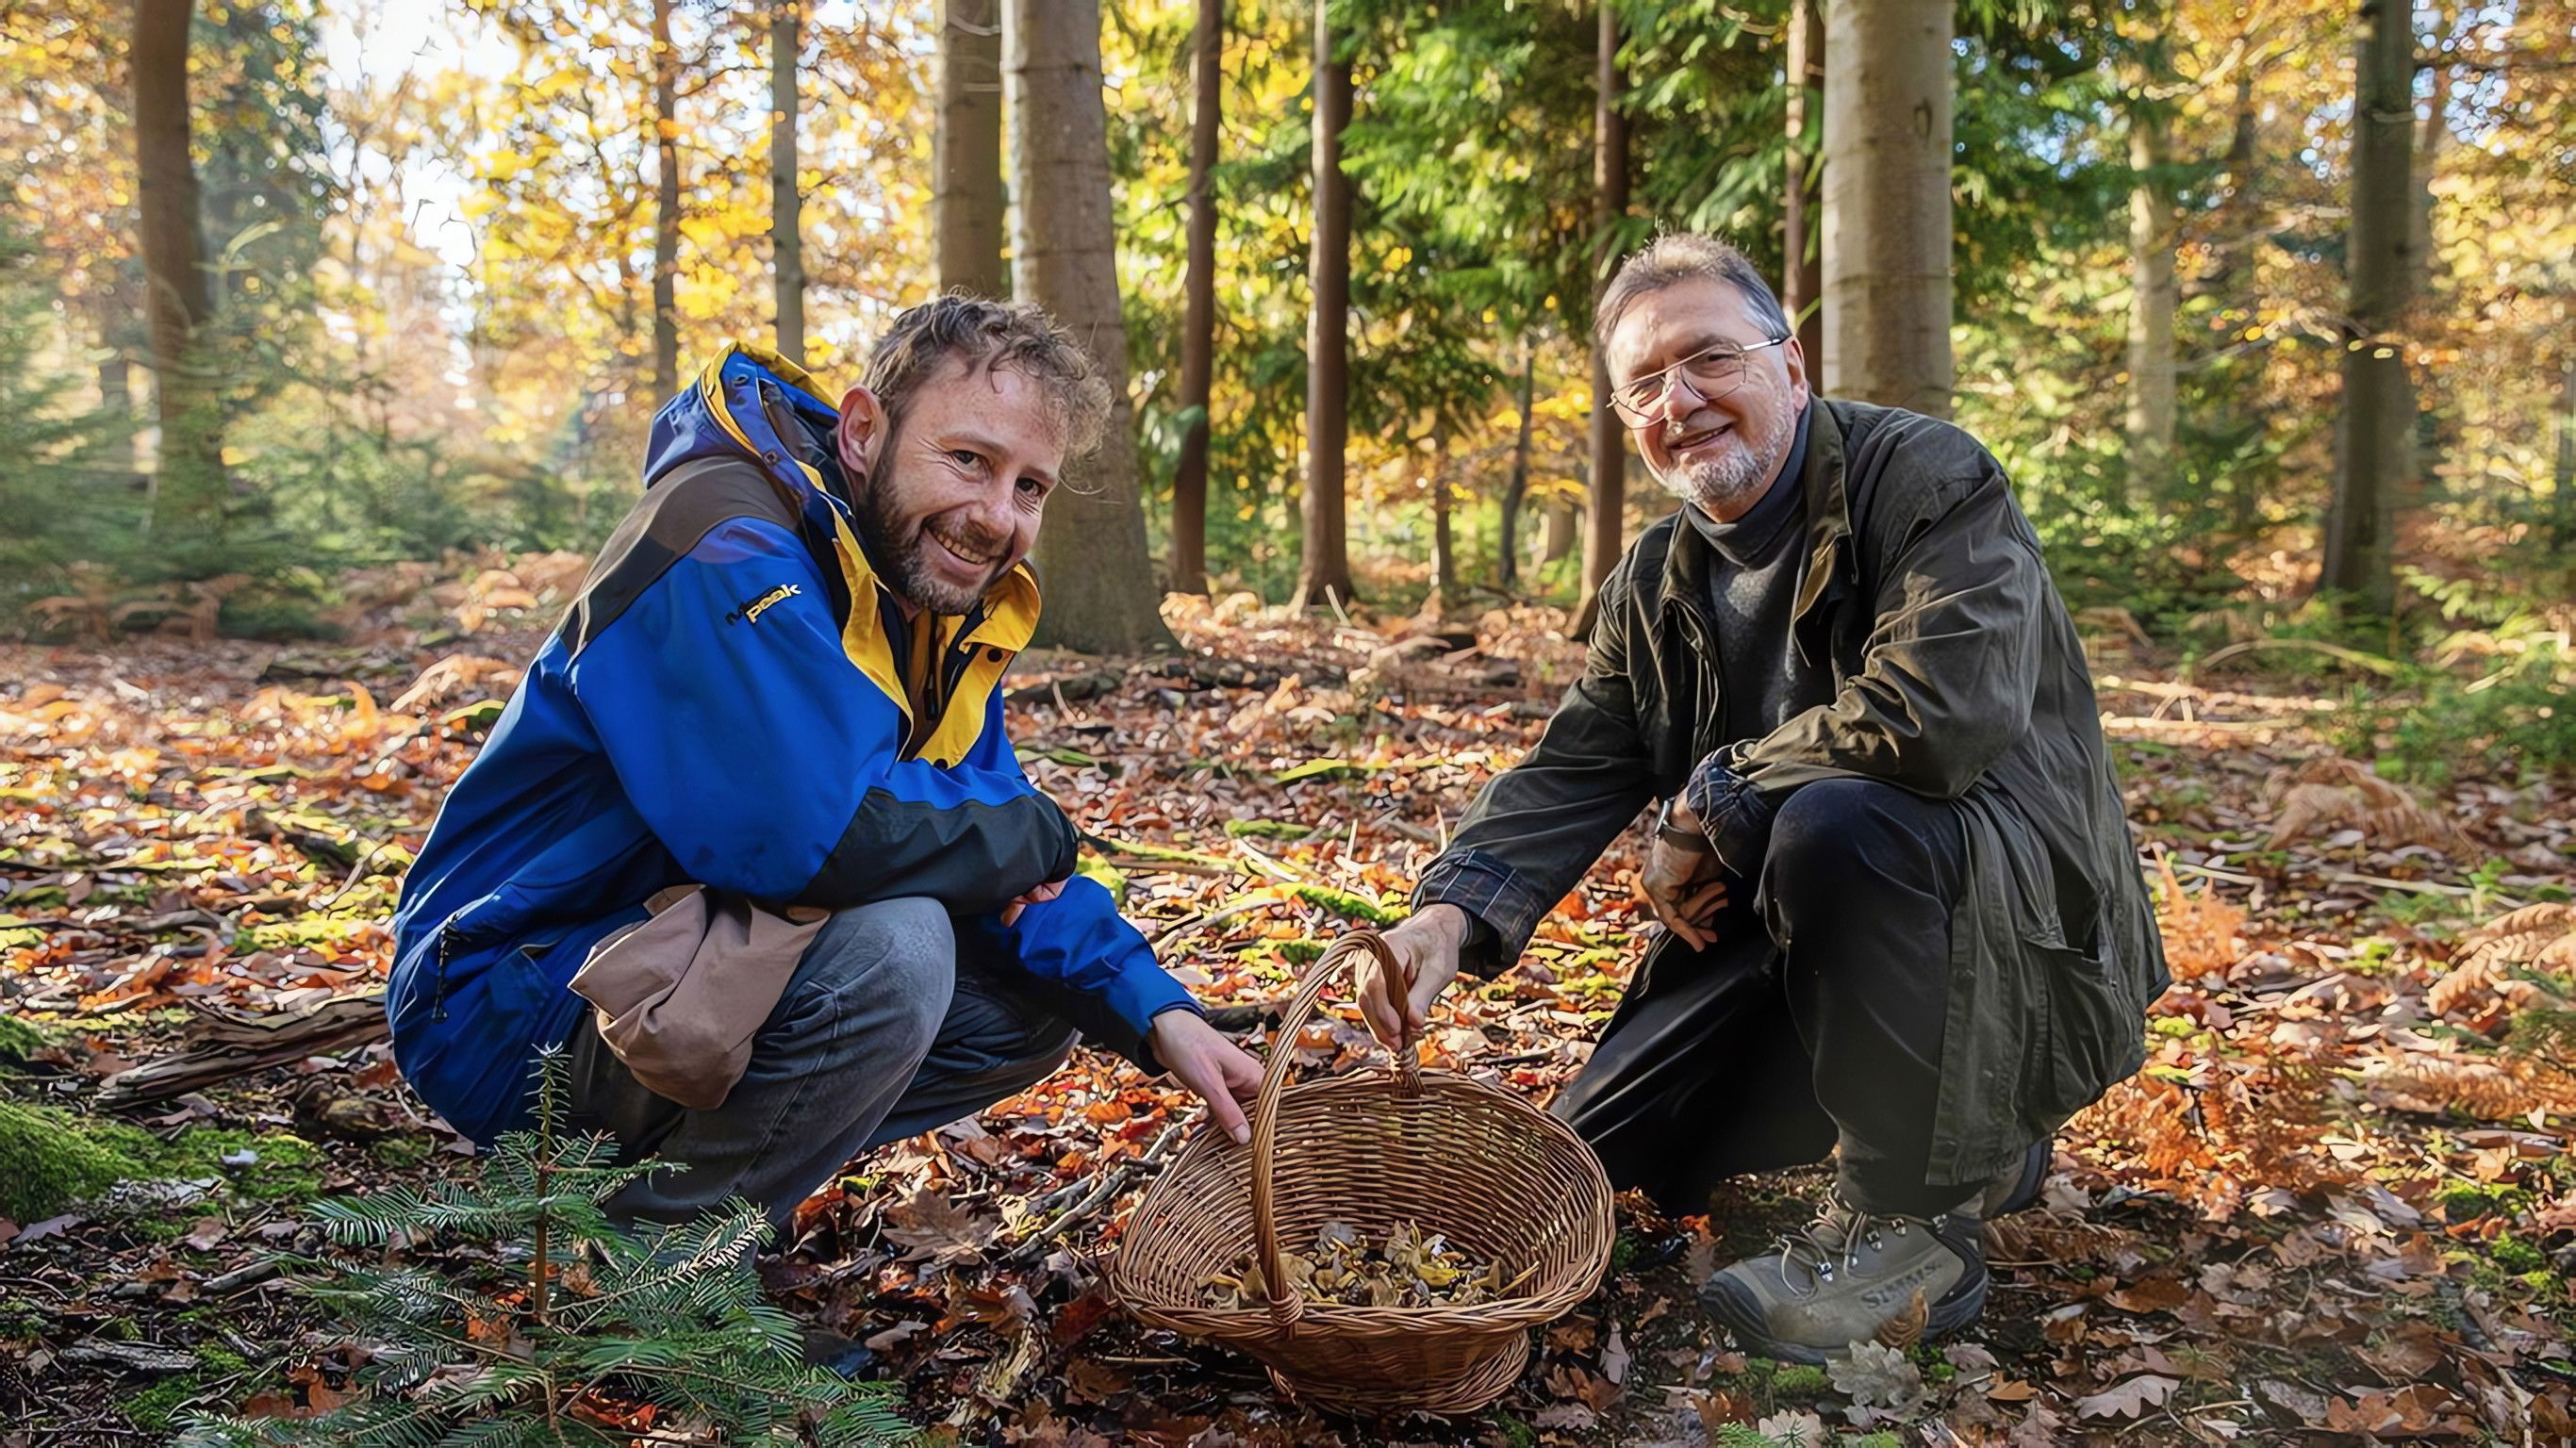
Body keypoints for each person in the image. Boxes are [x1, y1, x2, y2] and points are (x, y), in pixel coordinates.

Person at [1358, 234, 2167, 1363]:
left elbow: (1936, 717)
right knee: (1589, 1162)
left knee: (1833, 817)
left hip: (2005, 948)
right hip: (1793, 946)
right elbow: (1572, 766)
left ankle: (1915, 1216)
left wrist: (1713, 793)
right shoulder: (1654, 578)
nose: (1677, 401)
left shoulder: (1928, 481)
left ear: (1791, 367)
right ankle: (1922, 1132)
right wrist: (1442, 918)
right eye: (1642, 385)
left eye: (1708, 360)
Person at [388, 297, 1262, 1237]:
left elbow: (981, 836)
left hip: (677, 951)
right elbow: (809, 838)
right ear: (860, 432)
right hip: (507, 993)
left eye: (1029, 487)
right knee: (898, 951)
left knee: (1040, 1005)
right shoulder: (722, 534)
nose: (993, 515)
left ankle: (653, 1195)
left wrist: (1154, 1011)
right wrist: (1037, 831)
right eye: (967, 459)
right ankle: (665, 1267)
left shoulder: (926, 595)